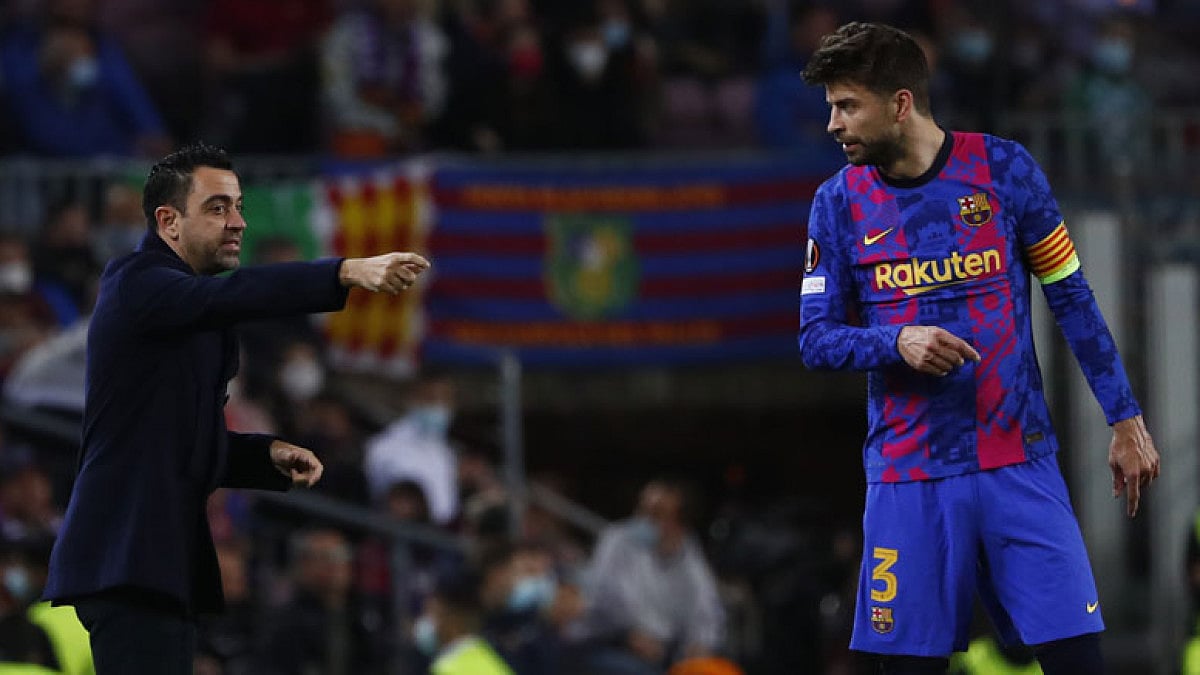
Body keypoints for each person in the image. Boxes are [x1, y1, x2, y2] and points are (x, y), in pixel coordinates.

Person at [796, 22, 1160, 675]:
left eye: (847, 105)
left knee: (1081, 661)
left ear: (900, 103)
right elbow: (815, 339)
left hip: (1018, 458)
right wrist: (896, 340)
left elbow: (1071, 296)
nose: (833, 124)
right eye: (831, 106)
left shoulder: (1004, 170)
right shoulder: (838, 204)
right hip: (909, 475)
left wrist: (1125, 417)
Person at [41, 142, 431, 675]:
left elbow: (182, 442)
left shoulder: (199, 318)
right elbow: (235, 293)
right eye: (218, 208)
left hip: (160, 561)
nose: (238, 223)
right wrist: (344, 271)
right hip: (125, 552)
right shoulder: (135, 282)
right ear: (168, 222)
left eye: (239, 207)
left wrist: (263, 455)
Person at [583, 480, 725, 675]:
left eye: (656, 513)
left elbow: (706, 614)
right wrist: (629, 635)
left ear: (679, 524)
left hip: (666, 653)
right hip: (613, 643)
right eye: (642, 509)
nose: (643, 519)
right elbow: (599, 600)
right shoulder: (618, 539)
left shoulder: (690, 555)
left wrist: (700, 645)